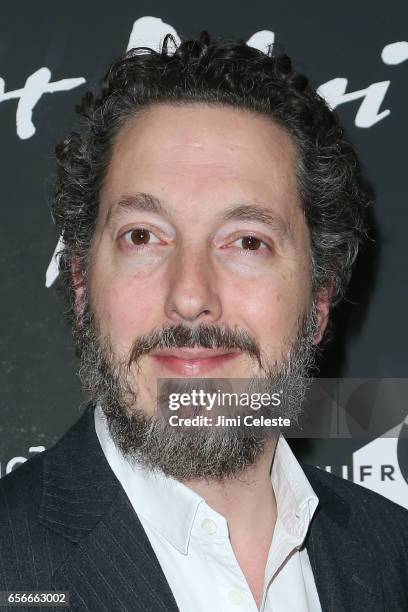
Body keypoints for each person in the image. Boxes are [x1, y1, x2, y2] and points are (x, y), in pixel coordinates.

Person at [0, 31, 407, 612]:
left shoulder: (393, 556)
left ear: (318, 300)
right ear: (82, 282)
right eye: (142, 237)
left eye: (246, 241)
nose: (190, 297)